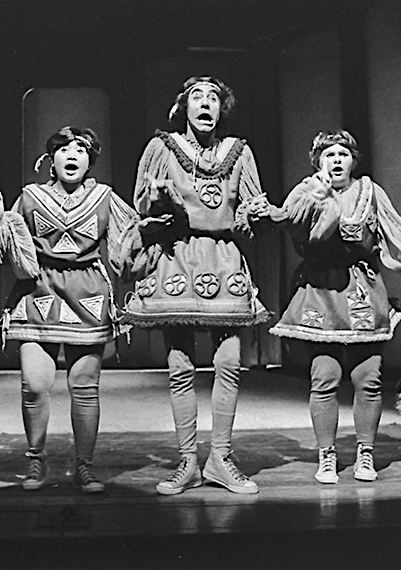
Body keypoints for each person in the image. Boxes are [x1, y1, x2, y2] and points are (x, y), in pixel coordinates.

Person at [267, 130, 401, 484]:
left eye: (343, 154)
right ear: (317, 161)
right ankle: (327, 455)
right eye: (329, 154)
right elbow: (294, 227)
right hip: (321, 291)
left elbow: (396, 237)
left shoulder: (370, 192)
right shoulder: (306, 191)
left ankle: (365, 452)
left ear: (354, 160)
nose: (337, 159)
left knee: (368, 378)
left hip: (362, 292)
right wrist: (317, 201)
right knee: (324, 377)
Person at [119, 77, 272, 495]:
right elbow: (140, 206)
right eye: (197, 97)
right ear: (182, 107)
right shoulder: (162, 148)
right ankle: (187, 461)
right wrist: (157, 200)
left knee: (229, 362)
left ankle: (221, 458)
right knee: (181, 366)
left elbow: (249, 211)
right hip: (178, 256)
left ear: (223, 109)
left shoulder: (239, 151)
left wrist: (258, 213)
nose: (206, 104)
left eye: (214, 98)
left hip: (224, 259)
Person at [0, 127, 136, 493]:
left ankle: (84, 466)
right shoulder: (31, 196)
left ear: (90, 160)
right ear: (51, 159)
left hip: (88, 295)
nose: (72, 154)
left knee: (84, 386)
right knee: (34, 385)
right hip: (38, 291)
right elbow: (7, 249)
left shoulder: (105, 197)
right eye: (64, 149)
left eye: (80, 149)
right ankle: (36, 459)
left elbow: (128, 245)